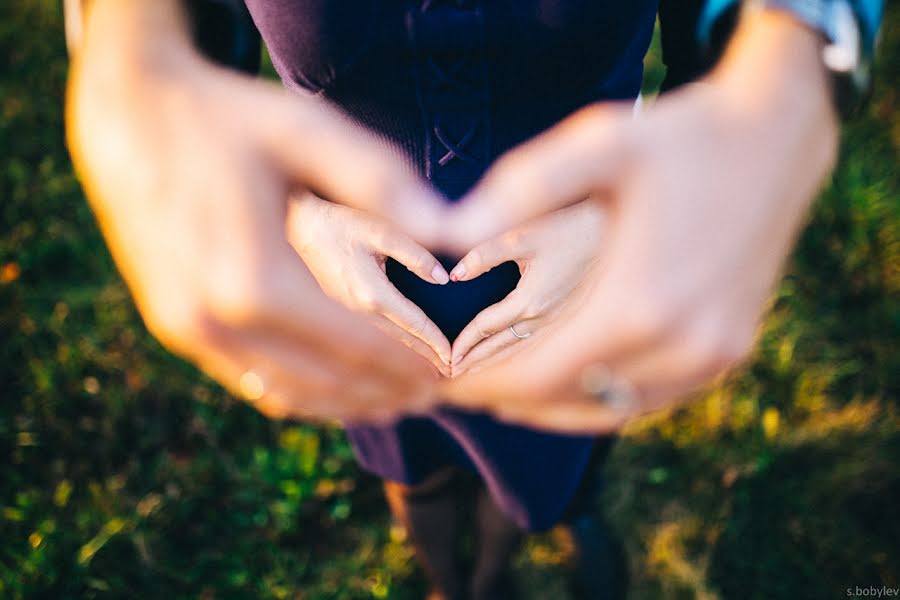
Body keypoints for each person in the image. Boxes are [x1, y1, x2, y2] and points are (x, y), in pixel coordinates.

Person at [64, 0, 883, 598]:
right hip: (356, 293)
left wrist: (790, 70)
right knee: (412, 472)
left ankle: (500, 568)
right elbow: (170, 40)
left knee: (533, 478)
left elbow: (756, 42)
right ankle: (451, 586)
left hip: (577, 291)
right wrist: (126, 53)